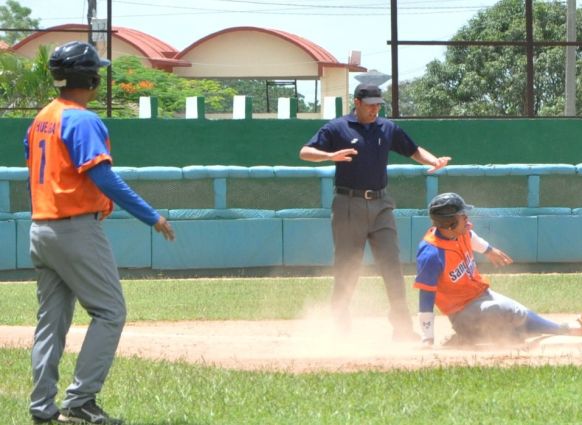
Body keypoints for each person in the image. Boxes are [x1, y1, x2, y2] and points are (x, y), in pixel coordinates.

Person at [25, 41, 175, 425]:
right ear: (89, 78)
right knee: (110, 312)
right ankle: (80, 402)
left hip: (41, 229)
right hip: (74, 231)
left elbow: (34, 156)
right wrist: (150, 216)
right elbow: (101, 175)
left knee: (51, 322)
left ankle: (43, 408)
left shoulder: (43, 116)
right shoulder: (81, 119)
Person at [299, 83, 451, 340]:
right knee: (348, 268)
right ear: (356, 102)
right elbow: (304, 152)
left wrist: (434, 160)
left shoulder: (386, 127)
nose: (375, 109)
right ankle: (340, 328)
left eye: (378, 104)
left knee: (392, 266)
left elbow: (413, 150)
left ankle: (402, 328)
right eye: (370, 104)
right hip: (349, 203)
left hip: (381, 204)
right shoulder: (338, 127)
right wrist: (329, 155)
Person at [414, 192, 582, 347]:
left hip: (481, 296)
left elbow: (472, 238)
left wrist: (489, 250)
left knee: (519, 313)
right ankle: (468, 334)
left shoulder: (460, 232)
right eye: (462, 215)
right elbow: (426, 297)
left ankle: (565, 329)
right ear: (449, 224)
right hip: (462, 313)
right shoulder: (432, 255)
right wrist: (427, 338)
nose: (467, 219)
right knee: (504, 312)